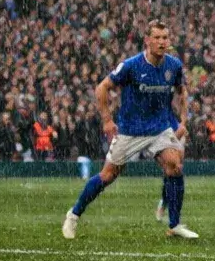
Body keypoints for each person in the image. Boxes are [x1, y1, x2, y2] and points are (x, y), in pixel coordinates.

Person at [62, 21, 198, 240]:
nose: (162, 42)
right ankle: (74, 213)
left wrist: (183, 120)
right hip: (130, 130)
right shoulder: (131, 65)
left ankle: (174, 225)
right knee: (108, 175)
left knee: (175, 165)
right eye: (157, 38)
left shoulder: (173, 65)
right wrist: (107, 120)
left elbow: (182, 91)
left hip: (160, 128)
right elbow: (102, 88)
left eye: (165, 38)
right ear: (147, 40)